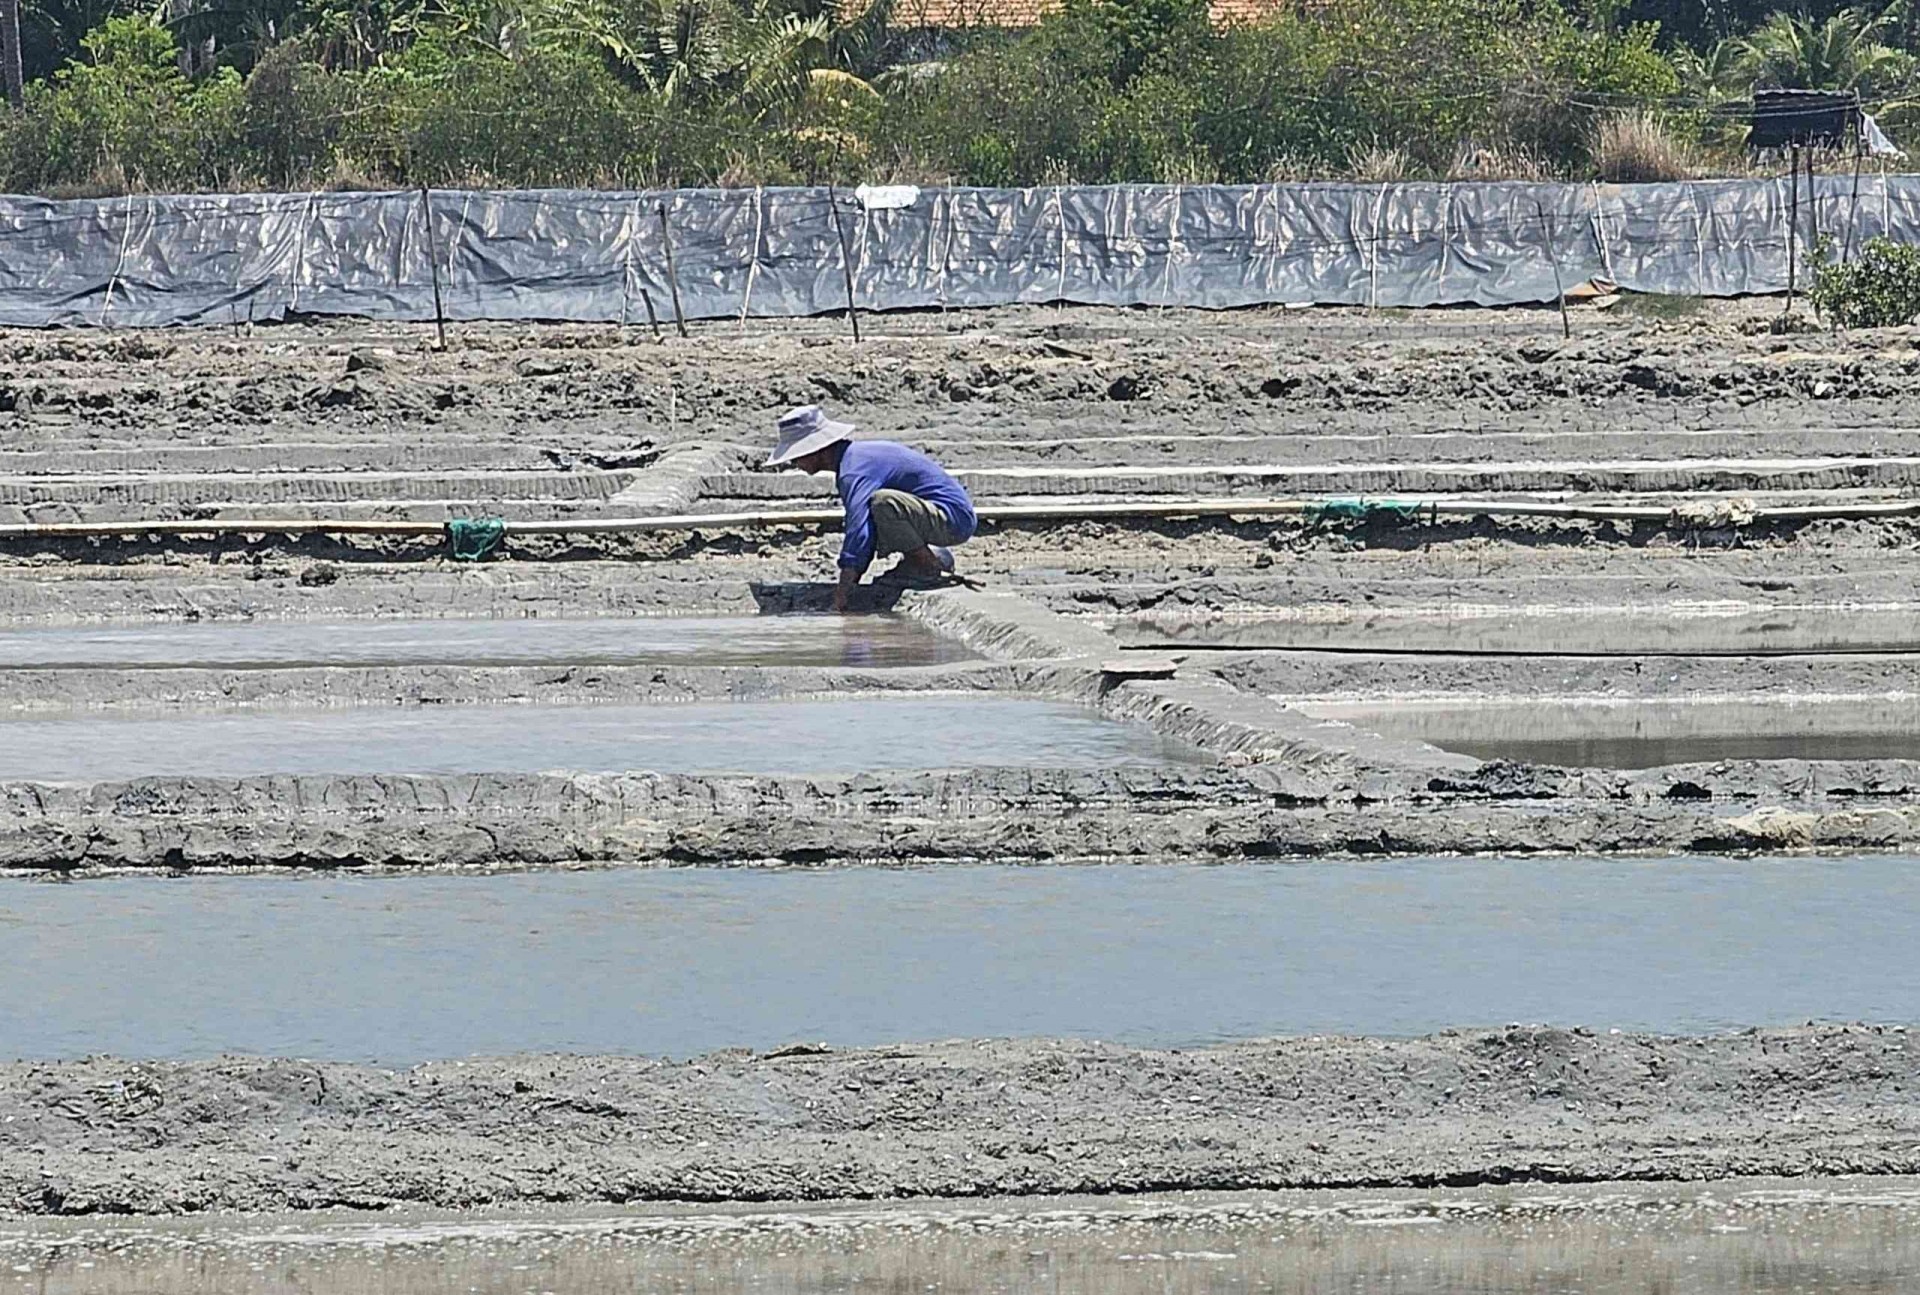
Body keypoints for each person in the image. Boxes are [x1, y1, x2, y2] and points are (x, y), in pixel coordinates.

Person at [766, 405, 977, 613]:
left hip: (953, 520)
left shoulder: (853, 470)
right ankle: (926, 561)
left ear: (816, 450)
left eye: (797, 455)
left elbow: (858, 529)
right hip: (939, 516)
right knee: (878, 508)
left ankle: (926, 566)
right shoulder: (854, 460)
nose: (794, 462)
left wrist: (844, 591)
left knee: (883, 503)